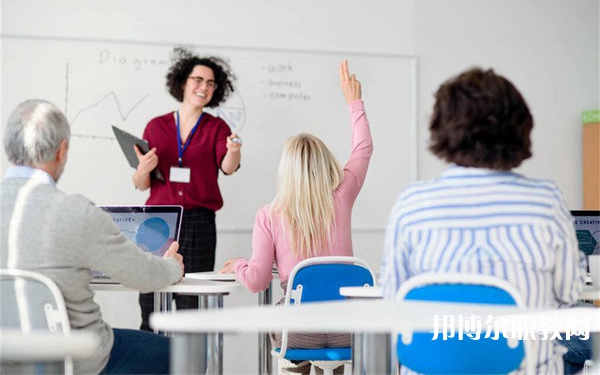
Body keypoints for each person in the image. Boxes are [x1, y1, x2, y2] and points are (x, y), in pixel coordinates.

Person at [379, 67, 587, 374]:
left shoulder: (413, 205)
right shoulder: (546, 201)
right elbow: (569, 291)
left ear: (443, 128)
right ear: (520, 128)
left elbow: (392, 300)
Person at [0, 99, 184, 374]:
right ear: (61, 151)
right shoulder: (75, 211)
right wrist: (172, 265)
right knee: (184, 353)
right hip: (77, 359)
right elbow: (146, 276)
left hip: (7, 356)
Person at [220, 59, 372, 375]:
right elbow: (363, 149)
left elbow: (257, 280)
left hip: (298, 329)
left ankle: (299, 367)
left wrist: (237, 265)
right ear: (326, 163)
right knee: (333, 346)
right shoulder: (342, 196)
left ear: (285, 171)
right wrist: (354, 101)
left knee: (288, 329)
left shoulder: (269, 215)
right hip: (349, 328)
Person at [132, 47, 242, 330]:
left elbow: (228, 167)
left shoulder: (217, 127)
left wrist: (234, 150)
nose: (203, 87)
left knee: (191, 303)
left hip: (199, 222)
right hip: (158, 220)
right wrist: (143, 169)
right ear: (183, 82)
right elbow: (141, 183)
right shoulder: (156, 127)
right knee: (151, 297)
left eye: (210, 83)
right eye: (198, 80)